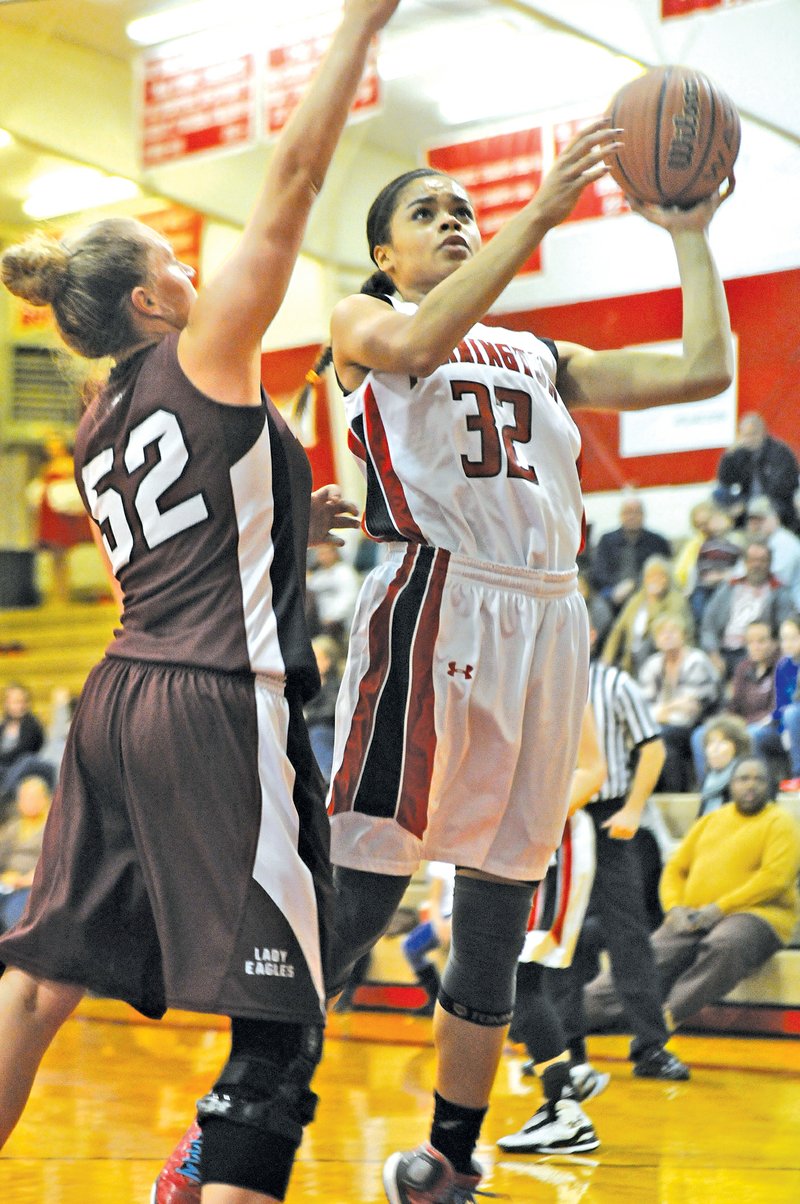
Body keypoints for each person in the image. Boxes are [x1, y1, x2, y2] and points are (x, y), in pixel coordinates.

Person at [160, 109, 734, 1204]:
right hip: (437, 606)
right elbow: (418, 345)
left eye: (465, 208)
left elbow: (704, 370)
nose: (457, 220)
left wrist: (688, 232)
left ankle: (447, 1161)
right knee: (356, 901)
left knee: (495, 912)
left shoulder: (536, 352)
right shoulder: (361, 316)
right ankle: (225, 1131)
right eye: (429, 212)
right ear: (384, 254)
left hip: (550, 621)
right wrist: (540, 213)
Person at [0, 6, 400, 1204]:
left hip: (115, 697)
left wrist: (295, 513)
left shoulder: (97, 417)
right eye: (175, 262)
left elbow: (193, 518)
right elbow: (293, 173)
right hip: (218, 701)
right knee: (282, 1026)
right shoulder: (206, 348)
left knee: (36, 981)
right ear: (150, 306)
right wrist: (356, 26)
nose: (196, 268)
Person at [548, 628, 691, 1085]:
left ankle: (651, 1047)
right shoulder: (540, 682)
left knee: (629, 936)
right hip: (558, 819)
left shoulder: (615, 683)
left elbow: (652, 748)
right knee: (560, 940)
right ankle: (566, 1051)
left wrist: (632, 807)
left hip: (609, 817)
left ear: (588, 634)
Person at [583, 757, 800, 1035]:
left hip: (758, 916)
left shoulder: (781, 823)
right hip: (695, 914)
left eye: (759, 779)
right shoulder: (711, 820)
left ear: (770, 786)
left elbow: (774, 879)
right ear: (730, 785)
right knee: (647, 956)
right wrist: (674, 908)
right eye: (743, 779)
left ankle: (666, 1017)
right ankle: (574, 1018)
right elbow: (676, 868)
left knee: (725, 944)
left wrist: (720, 909)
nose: (750, 786)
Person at [499, 703, 608, 1157]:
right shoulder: (494, 674)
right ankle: (562, 1087)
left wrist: (534, 820)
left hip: (551, 840)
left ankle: (564, 1108)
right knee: (508, 982)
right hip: (508, 837)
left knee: (522, 978)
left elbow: (593, 771)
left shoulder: (562, 684)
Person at [637, 613, 720, 792]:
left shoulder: (696, 661)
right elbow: (643, 707)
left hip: (700, 722)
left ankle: (675, 792)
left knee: (662, 735)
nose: (667, 636)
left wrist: (661, 711)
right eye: (662, 633)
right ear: (656, 640)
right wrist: (669, 709)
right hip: (665, 724)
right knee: (649, 735)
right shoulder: (652, 664)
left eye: (673, 631)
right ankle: (655, 792)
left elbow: (690, 710)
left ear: (683, 635)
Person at [690, 618, 777, 782]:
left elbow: (776, 710)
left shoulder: (781, 666)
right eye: (751, 641)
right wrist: (729, 722)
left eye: (761, 641)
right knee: (700, 734)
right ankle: (709, 788)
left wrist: (743, 724)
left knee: (753, 734)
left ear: (773, 642)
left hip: (771, 728)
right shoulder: (743, 667)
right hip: (743, 724)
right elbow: (733, 705)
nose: (756, 646)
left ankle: (760, 785)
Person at [700, 539, 795, 681]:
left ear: (770, 562)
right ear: (745, 562)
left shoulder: (779, 591)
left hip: (756, 652)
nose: (757, 565)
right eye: (752, 560)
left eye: (762, 560)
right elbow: (708, 626)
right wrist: (713, 654)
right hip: (722, 650)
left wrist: (766, 650)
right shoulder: (728, 587)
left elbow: (784, 631)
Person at [25, 433, 93, 604]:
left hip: (62, 517)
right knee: (54, 558)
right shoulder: (47, 467)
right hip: (50, 515)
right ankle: (55, 593)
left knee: (62, 556)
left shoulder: (68, 464)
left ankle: (63, 593)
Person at [601, 554, 693, 676]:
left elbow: (668, 631)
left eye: (660, 576)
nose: (655, 580)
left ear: (668, 578)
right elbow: (618, 630)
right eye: (651, 577)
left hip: (659, 658)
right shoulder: (636, 600)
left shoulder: (676, 601)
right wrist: (607, 659)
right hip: (629, 660)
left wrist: (654, 602)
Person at [714, 412, 800, 532]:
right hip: (747, 498)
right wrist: (728, 455)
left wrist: (747, 504)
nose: (749, 439)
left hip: (776, 501)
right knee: (718, 493)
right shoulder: (741, 453)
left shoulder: (779, 452)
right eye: (745, 435)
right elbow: (725, 480)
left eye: (753, 434)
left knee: (756, 506)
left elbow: (782, 486)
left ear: (763, 432)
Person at [589, 494, 672, 615]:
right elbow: (598, 573)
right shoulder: (607, 540)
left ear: (643, 515)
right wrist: (616, 589)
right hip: (612, 592)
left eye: (637, 512)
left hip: (646, 591)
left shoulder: (658, 542)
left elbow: (665, 572)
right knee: (599, 608)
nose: (632, 516)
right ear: (620, 515)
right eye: (628, 512)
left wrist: (633, 585)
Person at [751, 615, 800, 791]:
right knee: (754, 733)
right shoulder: (782, 665)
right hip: (786, 726)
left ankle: (798, 775)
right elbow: (780, 707)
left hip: (796, 721)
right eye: (784, 638)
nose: (787, 643)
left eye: (794, 638)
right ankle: (763, 785)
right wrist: (771, 722)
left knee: (793, 714)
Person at [401, 861, 456, 1015]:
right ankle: (436, 998)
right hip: (443, 916)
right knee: (410, 947)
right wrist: (438, 924)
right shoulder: (440, 863)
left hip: (463, 918)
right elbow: (435, 900)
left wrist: (453, 922)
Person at [0, 775, 51, 932]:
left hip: (31, 885)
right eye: (24, 797)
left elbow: (53, 863)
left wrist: (24, 880)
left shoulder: (51, 828)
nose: (28, 802)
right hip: (6, 881)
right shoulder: (13, 827)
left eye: (33, 797)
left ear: (45, 799)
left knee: (14, 914)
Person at [744, 496, 800, 608]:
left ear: (775, 518)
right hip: (768, 602)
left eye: (761, 520)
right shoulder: (759, 542)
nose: (756, 525)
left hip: (790, 607)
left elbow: (778, 580)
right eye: (752, 520)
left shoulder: (785, 542)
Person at [303, 634, 343, 785]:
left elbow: (331, 712)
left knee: (318, 734)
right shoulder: (309, 684)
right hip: (310, 729)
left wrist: (307, 717)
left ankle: (328, 780)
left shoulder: (336, 685)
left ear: (327, 661)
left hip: (327, 731)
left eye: (316, 657)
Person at [695, 714, 752, 817]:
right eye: (710, 743)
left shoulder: (745, 780)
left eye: (723, 742)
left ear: (738, 747)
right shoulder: (709, 781)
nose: (714, 749)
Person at [0, 684, 45, 802]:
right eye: (13, 702)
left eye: (20, 702)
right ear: (7, 704)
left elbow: (23, 750)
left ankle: (5, 794)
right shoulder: (4, 725)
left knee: (26, 760)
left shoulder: (32, 725)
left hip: (22, 765)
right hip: (3, 766)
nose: (17, 706)